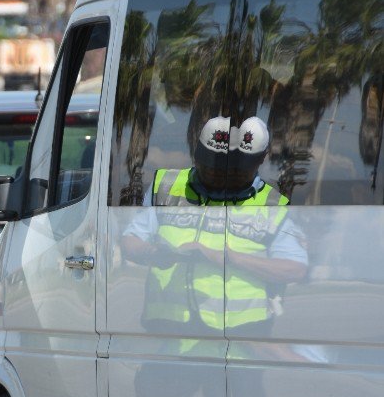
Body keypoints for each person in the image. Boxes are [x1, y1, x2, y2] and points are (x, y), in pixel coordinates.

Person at [122, 115, 307, 333]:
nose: (217, 176)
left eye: (238, 170)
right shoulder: (166, 185)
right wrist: (155, 253)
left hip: (239, 338)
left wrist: (228, 259)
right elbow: (130, 240)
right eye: (209, 167)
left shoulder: (272, 204)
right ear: (196, 155)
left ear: (261, 160)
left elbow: (294, 269)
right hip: (168, 329)